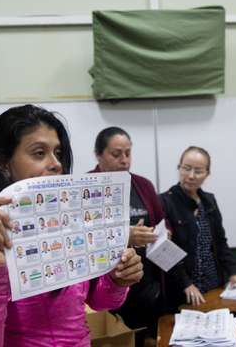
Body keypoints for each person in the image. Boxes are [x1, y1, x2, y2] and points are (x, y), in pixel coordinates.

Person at [0, 105, 143, 346]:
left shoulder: (68, 229)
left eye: (58, 153)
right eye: (39, 153)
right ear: (3, 164)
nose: (56, 164)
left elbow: (98, 302)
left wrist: (117, 279)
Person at [89, 126, 165, 347]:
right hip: (106, 284)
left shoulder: (143, 185)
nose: (124, 160)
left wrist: (162, 232)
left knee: (147, 339)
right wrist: (126, 235)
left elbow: (161, 221)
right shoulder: (86, 187)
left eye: (128, 153)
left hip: (145, 283)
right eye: (116, 154)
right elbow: (84, 234)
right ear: (99, 155)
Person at [160, 146, 236, 308]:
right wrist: (185, 283)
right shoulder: (165, 202)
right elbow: (164, 251)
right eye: (186, 169)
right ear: (179, 168)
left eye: (198, 171)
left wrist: (234, 273)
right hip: (182, 289)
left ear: (207, 173)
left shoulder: (209, 201)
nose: (191, 176)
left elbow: (220, 242)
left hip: (213, 283)